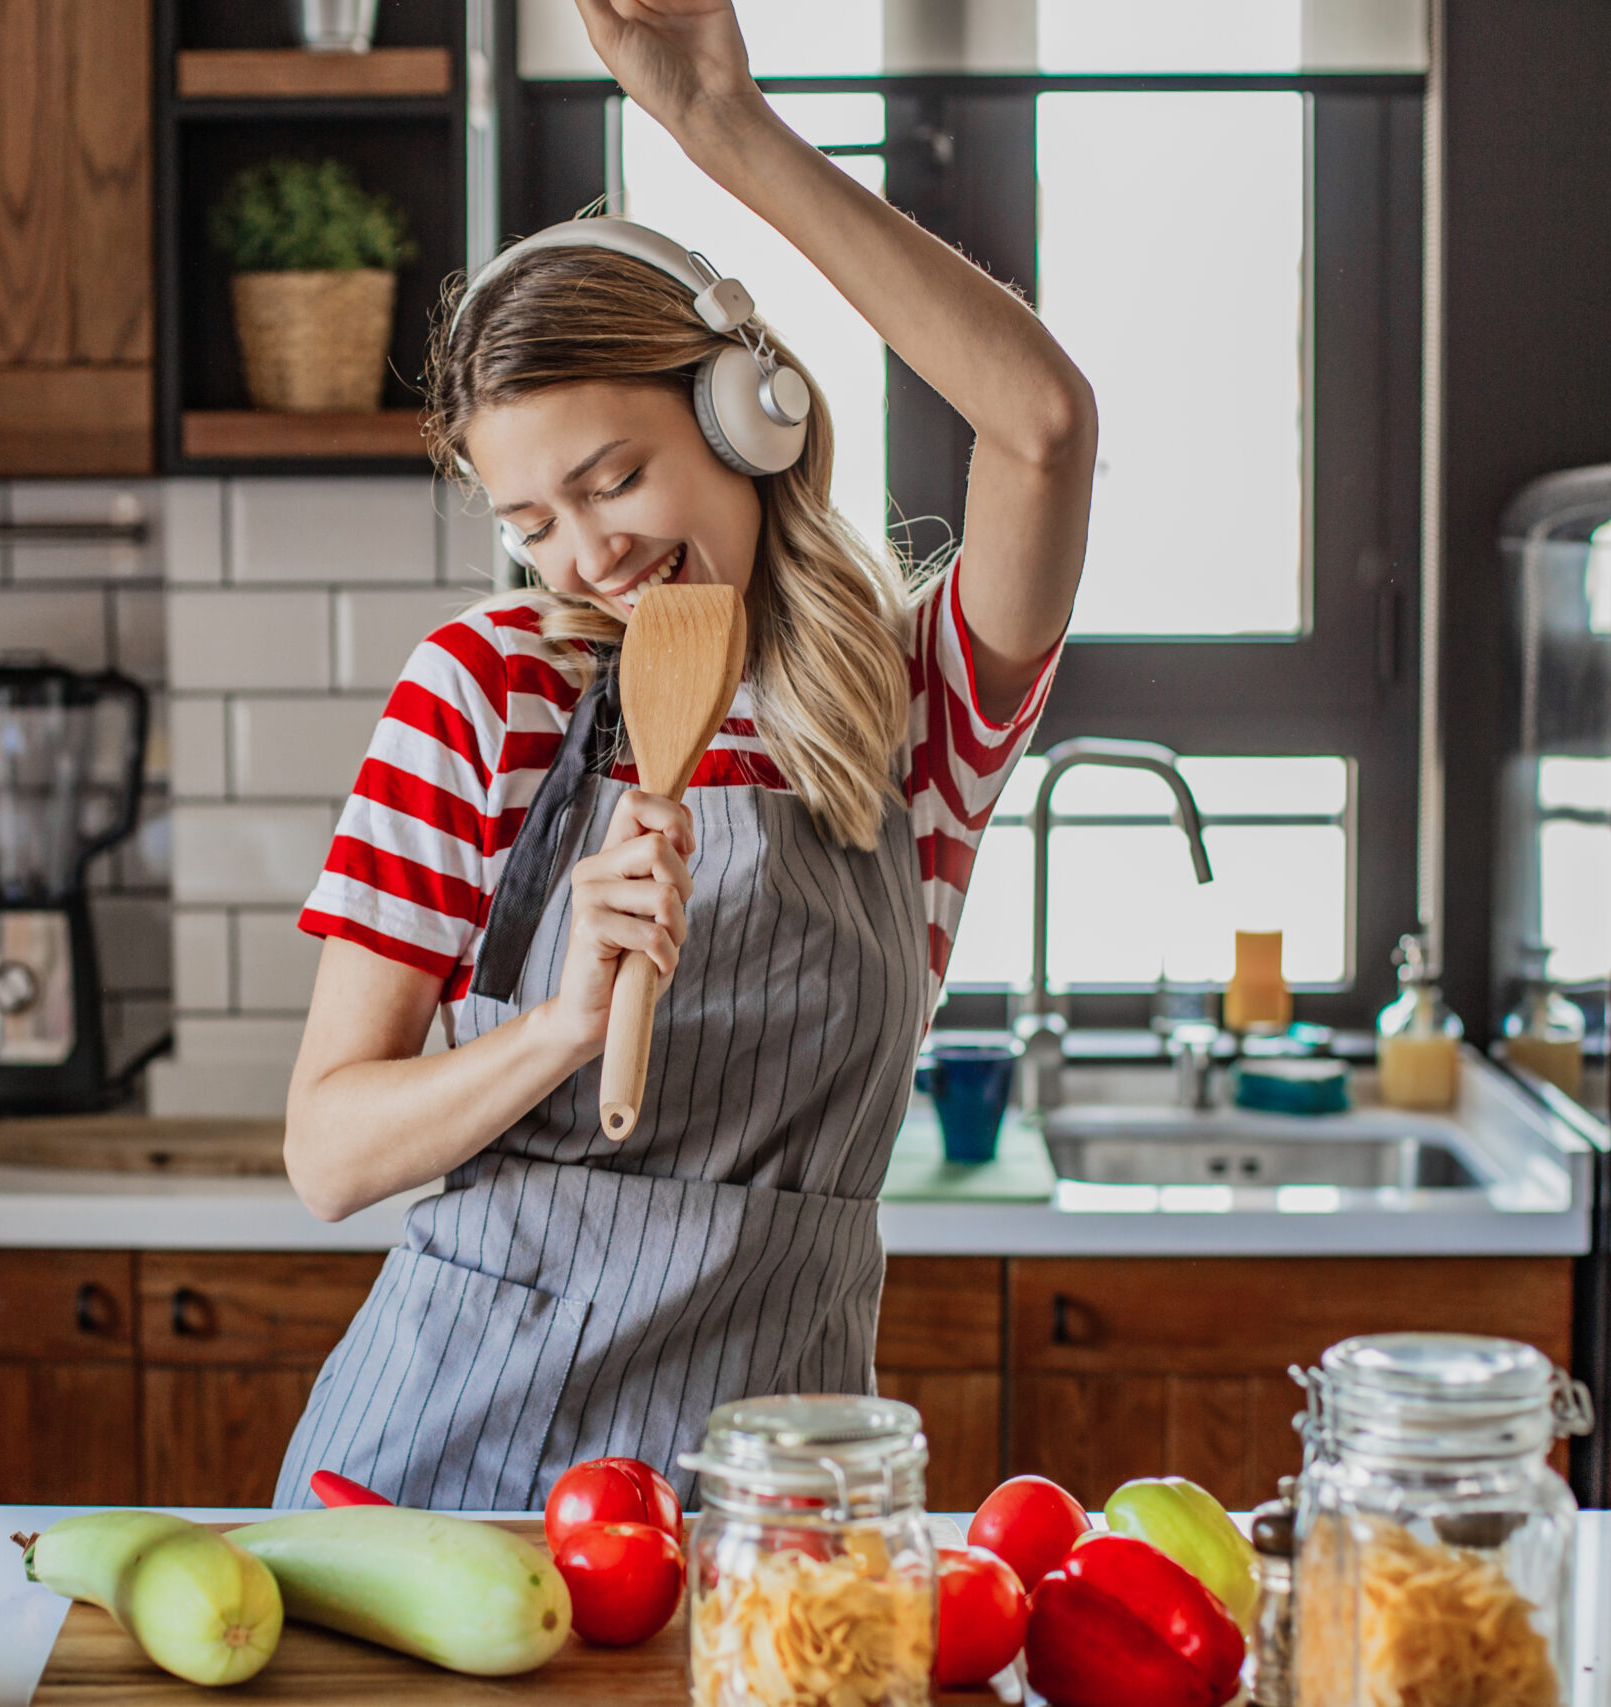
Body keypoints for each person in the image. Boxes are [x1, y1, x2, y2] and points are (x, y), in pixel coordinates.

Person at [270, 0, 1095, 1509]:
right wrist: (558, 1027)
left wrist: (727, 128)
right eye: (534, 522)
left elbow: (1041, 424)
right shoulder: (486, 692)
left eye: (615, 479)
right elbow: (327, 1153)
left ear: (745, 416)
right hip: (443, 1481)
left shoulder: (910, 712)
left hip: (766, 1499)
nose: (588, 555)